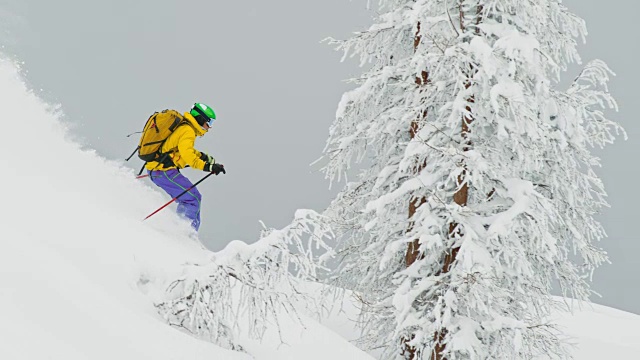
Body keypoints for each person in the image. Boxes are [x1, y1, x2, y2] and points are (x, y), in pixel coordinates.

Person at [146, 102, 225, 231]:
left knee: (189, 198)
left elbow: (183, 151)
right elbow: (188, 156)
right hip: (163, 171)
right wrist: (208, 167)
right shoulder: (188, 131)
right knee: (193, 199)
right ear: (200, 119)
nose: (209, 127)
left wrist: (204, 157)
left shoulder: (185, 128)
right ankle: (184, 235)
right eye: (209, 123)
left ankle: (180, 229)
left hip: (160, 170)